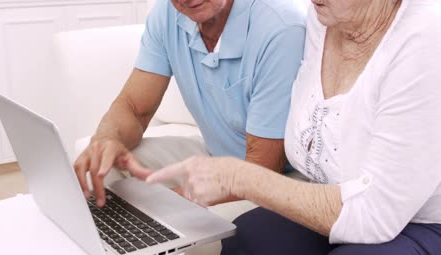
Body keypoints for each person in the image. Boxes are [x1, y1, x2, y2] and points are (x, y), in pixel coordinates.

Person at [143, 0, 441, 255]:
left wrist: (238, 177)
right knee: (250, 239)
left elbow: (375, 216)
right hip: (332, 194)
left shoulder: (426, 39)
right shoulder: (323, 19)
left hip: (420, 221)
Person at [73, 0, 306, 208]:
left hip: (273, 181)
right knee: (106, 165)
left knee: (169, 222)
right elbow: (134, 108)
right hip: (215, 156)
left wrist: (159, 208)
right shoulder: (167, 13)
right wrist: (106, 140)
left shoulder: (281, 27)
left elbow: (261, 170)